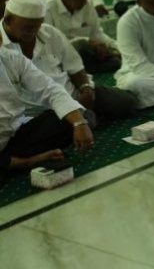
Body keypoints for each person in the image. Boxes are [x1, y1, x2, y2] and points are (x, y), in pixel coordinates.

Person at [2, 0, 137, 120]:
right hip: (42, 112)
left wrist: (85, 88)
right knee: (75, 122)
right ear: (8, 21)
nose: (34, 32)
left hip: (73, 94)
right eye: (28, 28)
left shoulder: (50, 33)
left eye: (38, 25)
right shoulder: (2, 49)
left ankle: (88, 115)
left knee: (127, 102)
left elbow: (74, 66)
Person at [0, 42, 93, 173]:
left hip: (16, 133)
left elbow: (50, 89)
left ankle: (17, 161)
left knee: (72, 118)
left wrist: (79, 122)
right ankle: (26, 162)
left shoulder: (10, 58)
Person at [44, 0, 121, 74]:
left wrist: (118, 47)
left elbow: (97, 33)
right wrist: (85, 41)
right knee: (82, 51)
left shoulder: (87, 5)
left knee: (114, 60)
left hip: (87, 52)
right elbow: (51, 45)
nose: (85, 2)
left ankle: (81, 70)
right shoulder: (48, 10)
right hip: (61, 55)